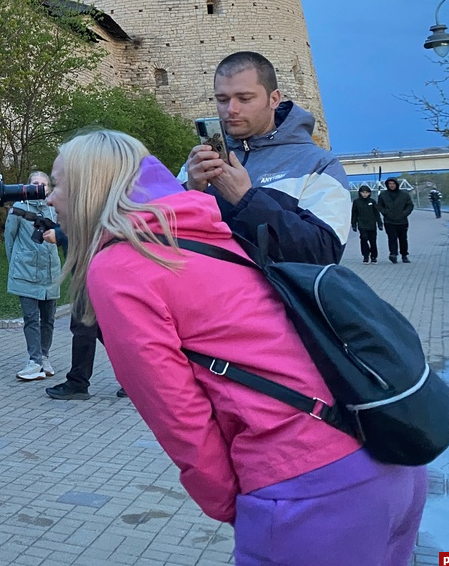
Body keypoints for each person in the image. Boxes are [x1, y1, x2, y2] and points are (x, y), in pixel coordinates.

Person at [49, 129, 426, 566]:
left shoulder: (121, 268)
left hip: (308, 488)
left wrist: (235, 504)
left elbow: (177, 412)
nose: (51, 198)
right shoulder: (206, 232)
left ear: (87, 190)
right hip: (387, 461)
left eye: (58, 184)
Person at [183, 52, 350, 265]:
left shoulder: (319, 165)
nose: (231, 110)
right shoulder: (202, 160)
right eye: (222, 99)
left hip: (276, 297)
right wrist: (191, 192)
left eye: (244, 98)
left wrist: (246, 200)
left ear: (274, 99)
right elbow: (167, 240)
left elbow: (323, 253)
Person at [3, 171, 59, 381]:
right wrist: (16, 263)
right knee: (30, 318)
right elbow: (9, 239)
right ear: (27, 186)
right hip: (25, 272)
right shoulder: (19, 208)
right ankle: (34, 361)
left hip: (51, 272)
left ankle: (44, 357)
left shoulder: (55, 210)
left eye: (42, 184)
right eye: (34, 183)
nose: (38, 187)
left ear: (48, 189)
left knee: (49, 319)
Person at [378, 178, 414, 264]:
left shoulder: (404, 195)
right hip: (389, 221)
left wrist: (404, 213)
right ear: (387, 185)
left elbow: (410, 205)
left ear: (396, 184)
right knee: (392, 238)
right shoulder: (383, 195)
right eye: (390, 183)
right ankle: (393, 254)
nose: (391, 185)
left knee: (403, 239)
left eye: (393, 183)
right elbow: (379, 205)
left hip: (402, 221)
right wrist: (385, 213)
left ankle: (404, 255)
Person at [350, 185, 383, 264]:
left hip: (372, 224)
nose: (365, 194)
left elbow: (376, 213)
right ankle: (365, 256)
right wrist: (353, 224)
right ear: (360, 193)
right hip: (362, 224)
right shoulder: (356, 202)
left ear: (369, 193)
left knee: (373, 241)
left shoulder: (372, 201)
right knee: (364, 239)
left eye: (366, 192)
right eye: (363, 192)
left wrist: (379, 223)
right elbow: (354, 213)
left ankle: (374, 256)